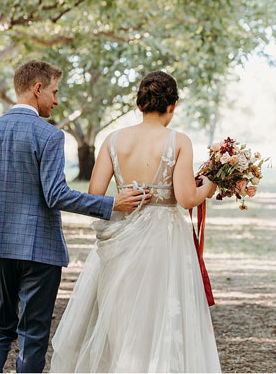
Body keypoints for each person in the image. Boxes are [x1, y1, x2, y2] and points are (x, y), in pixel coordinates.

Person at [0, 60, 151, 373]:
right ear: (37, 89)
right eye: (54, 92)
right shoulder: (49, 136)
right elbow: (56, 195)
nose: (56, 101)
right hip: (39, 251)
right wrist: (111, 204)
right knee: (32, 335)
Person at [50, 70, 220, 372]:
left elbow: (96, 195)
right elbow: (186, 198)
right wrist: (210, 184)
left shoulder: (113, 140)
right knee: (162, 317)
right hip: (164, 241)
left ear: (139, 105)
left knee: (123, 318)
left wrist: (124, 197)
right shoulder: (179, 141)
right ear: (173, 106)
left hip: (121, 235)